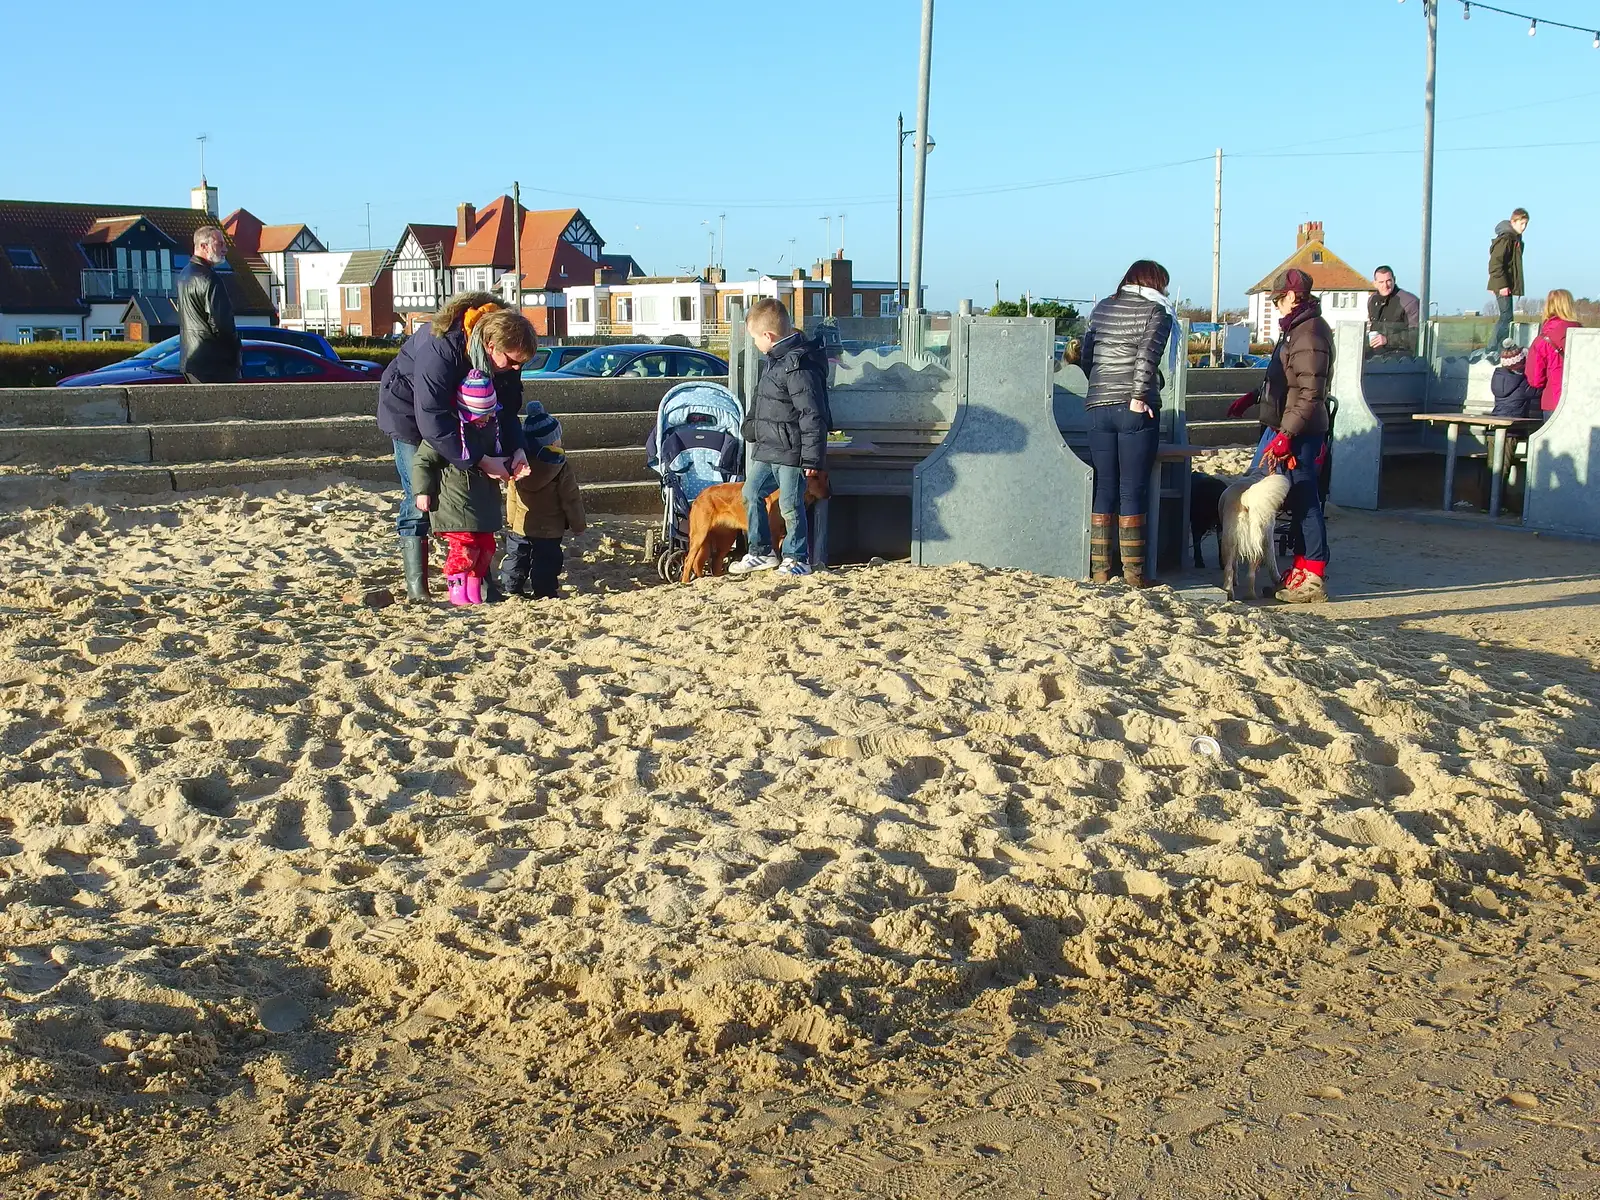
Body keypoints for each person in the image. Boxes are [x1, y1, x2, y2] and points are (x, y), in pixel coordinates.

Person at [377, 292, 536, 603]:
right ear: (490, 346)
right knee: (419, 493)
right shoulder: (442, 348)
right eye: (513, 361)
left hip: (474, 414)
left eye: (523, 363)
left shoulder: (505, 355)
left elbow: (506, 407)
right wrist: (479, 459)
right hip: (410, 412)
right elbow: (432, 418)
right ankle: (418, 587)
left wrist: (516, 449)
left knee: (476, 500)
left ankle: (482, 582)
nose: (517, 368)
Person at [1079, 259, 1176, 587]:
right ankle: (1134, 575)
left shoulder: (1103, 307)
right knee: (1132, 490)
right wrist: (1138, 397)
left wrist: (1098, 385)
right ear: (1153, 283)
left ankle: (1100, 572)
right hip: (1135, 408)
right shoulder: (1156, 312)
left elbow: (1086, 354)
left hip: (1097, 405)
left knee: (1105, 487)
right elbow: (1148, 357)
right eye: (1162, 283)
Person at [1241, 268, 1332, 604]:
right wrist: (1254, 397)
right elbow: (1284, 380)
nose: (1276, 305)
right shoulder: (1296, 329)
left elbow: (1309, 392)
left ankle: (1314, 575)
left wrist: (1287, 434)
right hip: (1292, 426)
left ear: (1292, 296)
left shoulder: (1308, 333)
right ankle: (1301, 570)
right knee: (1296, 501)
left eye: (1278, 299)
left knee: (1306, 502)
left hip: (1301, 432)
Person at [728, 298, 830, 577]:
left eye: (754, 339)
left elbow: (812, 414)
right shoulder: (774, 362)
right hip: (769, 447)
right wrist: (750, 427)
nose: (754, 344)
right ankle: (761, 552)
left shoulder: (798, 365)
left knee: (789, 503)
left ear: (768, 336)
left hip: (792, 450)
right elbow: (763, 401)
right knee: (751, 493)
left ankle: (798, 557)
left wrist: (812, 459)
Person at [412, 371, 507, 606]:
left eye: (488, 414)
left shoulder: (490, 430)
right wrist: (422, 491)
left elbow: (497, 457)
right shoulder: (447, 434)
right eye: (480, 415)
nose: (485, 419)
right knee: (464, 548)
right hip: (455, 503)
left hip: (483, 502)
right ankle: (457, 590)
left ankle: (474, 590)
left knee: (486, 548)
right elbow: (423, 461)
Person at [502, 401, 586, 599]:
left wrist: (512, 519)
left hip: (521, 525)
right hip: (550, 528)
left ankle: (512, 587)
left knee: (517, 557)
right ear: (552, 442)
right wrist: (578, 525)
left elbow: (512, 493)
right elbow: (571, 499)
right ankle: (544, 591)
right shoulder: (560, 468)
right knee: (546, 561)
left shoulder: (519, 464)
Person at [176, 227, 240, 384]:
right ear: (204, 246)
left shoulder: (184, 275)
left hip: (190, 359)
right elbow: (221, 324)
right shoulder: (210, 279)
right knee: (223, 408)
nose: (225, 249)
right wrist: (235, 349)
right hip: (213, 364)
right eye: (220, 244)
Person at [1526, 288, 1582, 417]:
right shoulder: (1585, 336)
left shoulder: (1542, 340)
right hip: (1582, 401)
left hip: (1553, 401)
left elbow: (1535, 380)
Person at [1487, 208, 1529, 356]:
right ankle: (1494, 348)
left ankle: (1499, 347)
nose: (1523, 227)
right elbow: (1495, 263)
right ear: (1513, 222)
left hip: (1505, 283)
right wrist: (1501, 285)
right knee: (1506, 316)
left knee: (1507, 316)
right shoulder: (1506, 239)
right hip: (1503, 284)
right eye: (1521, 223)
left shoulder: (1515, 240)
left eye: (1525, 224)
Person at [1366, 265, 1419, 356]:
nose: (1385, 285)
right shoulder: (1372, 300)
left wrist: (1387, 340)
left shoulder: (1409, 302)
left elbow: (1416, 335)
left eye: (1388, 281)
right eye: (1381, 282)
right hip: (1375, 357)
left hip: (1401, 359)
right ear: (1375, 283)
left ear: (1394, 279)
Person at [1489, 341, 1541, 419]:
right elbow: (1538, 391)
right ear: (1521, 364)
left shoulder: (1498, 378)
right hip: (1516, 420)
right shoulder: (1522, 382)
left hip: (1497, 415)